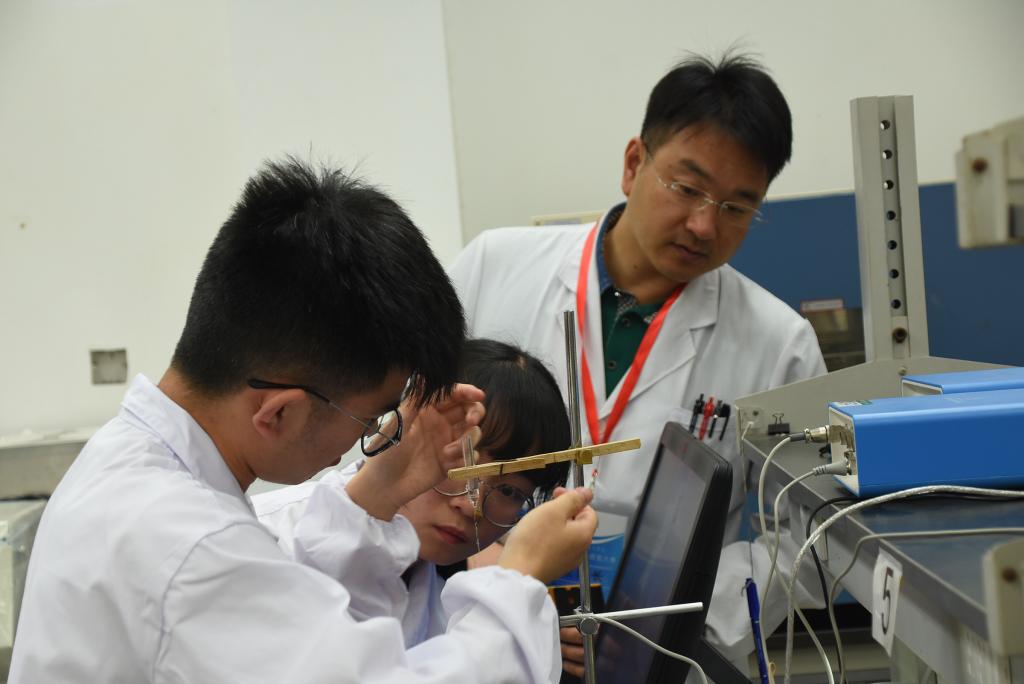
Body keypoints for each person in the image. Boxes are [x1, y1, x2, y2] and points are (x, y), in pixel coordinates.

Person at [10, 158, 597, 683]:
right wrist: (517, 581)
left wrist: (379, 493)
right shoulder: (192, 547)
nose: (372, 435)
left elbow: (302, 612)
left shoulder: (132, 455)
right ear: (281, 411)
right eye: (372, 417)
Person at [447, 53, 828, 672]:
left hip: (659, 655)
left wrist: (665, 620)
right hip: (476, 629)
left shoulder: (780, 344)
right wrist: (483, 578)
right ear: (633, 164)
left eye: (737, 207)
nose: (703, 225)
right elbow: (397, 435)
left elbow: (805, 539)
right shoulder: (493, 267)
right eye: (687, 188)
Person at [254, 338, 572, 645]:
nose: (470, 506)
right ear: (408, 421)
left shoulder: (455, 599)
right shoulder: (262, 538)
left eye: (509, 491)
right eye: (461, 464)